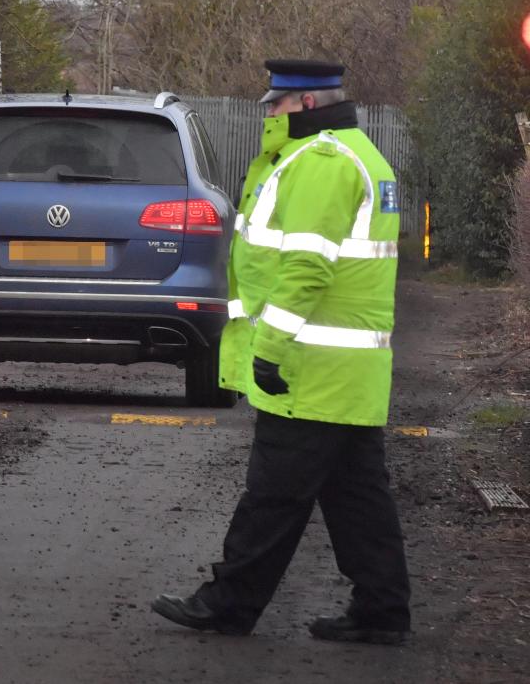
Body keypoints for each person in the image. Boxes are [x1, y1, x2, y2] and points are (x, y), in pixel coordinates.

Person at [151, 59, 411, 645]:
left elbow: (306, 267)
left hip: (308, 367)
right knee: (357, 496)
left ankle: (228, 603)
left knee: (273, 494)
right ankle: (382, 609)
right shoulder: (360, 155)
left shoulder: (322, 161)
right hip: (347, 370)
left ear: (309, 105)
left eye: (278, 104)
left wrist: (268, 348)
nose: (269, 113)